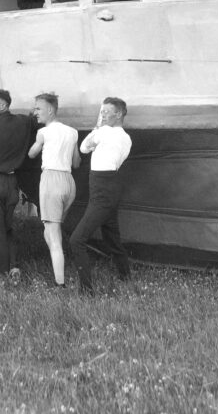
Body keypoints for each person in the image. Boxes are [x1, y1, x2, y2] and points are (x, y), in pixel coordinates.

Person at [69, 97, 133, 293]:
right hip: (109, 188)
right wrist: (99, 129)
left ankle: (87, 290)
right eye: (101, 112)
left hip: (103, 190)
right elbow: (86, 148)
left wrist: (97, 127)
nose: (103, 115)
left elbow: (83, 148)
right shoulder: (123, 136)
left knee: (76, 240)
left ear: (119, 114)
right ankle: (126, 277)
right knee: (112, 236)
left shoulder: (109, 133)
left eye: (107, 112)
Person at [0, 88, 36, 276]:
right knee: (7, 226)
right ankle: (13, 266)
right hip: (11, 182)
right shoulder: (23, 122)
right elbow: (33, 119)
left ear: (3, 105)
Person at [28, 93, 80, 287]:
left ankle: (60, 283)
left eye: (38, 109)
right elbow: (76, 162)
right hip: (69, 182)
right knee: (50, 231)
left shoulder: (43, 133)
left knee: (53, 235)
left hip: (51, 181)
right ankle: (60, 267)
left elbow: (32, 154)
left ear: (50, 110)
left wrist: (37, 144)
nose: (35, 113)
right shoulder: (72, 132)